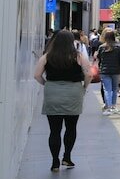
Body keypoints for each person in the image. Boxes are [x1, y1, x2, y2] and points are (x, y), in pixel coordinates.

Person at [33, 30, 89, 171]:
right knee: (71, 128)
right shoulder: (78, 56)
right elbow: (88, 74)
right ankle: (67, 157)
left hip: (53, 93)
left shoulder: (47, 57)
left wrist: (47, 84)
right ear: (71, 41)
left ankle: (54, 162)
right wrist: (84, 87)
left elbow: (37, 75)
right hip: (74, 92)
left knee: (54, 130)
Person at [94, 30, 120, 115]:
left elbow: (99, 58)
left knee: (107, 90)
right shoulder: (118, 48)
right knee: (114, 89)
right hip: (116, 71)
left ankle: (108, 107)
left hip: (105, 71)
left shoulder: (102, 47)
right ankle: (113, 106)